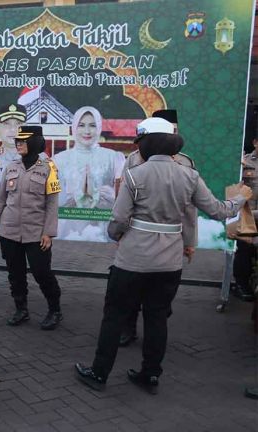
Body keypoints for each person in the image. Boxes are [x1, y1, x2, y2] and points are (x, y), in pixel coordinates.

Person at [75, 117, 252, 394]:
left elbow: (119, 220)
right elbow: (219, 210)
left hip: (132, 260)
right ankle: (150, 375)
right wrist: (241, 197)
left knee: (115, 316)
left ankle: (99, 373)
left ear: (148, 143)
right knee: (157, 318)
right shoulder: (189, 175)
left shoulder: (135, 174)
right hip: (169, 262)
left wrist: (116, 236)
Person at [119, 109, 200, 346]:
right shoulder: (133, 160)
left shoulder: (185, 163)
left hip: (169, 242)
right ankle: (129, 327)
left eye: (174, 129)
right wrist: (120, 233)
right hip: (136, 237)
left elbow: (189, 209)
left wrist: (190, 242)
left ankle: (154, 334)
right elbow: (122, 202)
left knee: (159, 296)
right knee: (130, 289)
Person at [0, 126, 63, 329]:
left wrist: (48, 232)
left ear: (36, 143)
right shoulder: (11, 167)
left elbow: (52, 203)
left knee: (42, 272)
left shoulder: (48, 168)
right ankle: (21, 309)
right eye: (17, 141)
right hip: (10, 231)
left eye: (23, 140)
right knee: (15, 274)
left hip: (36, 233)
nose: (18, 144)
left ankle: (55, 310)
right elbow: (0, 200)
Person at [53, 106, 125, 242]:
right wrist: (76, 194)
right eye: (81, 125)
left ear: (99, 127)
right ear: (74, 127)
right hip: (66, 232)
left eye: (92, 125)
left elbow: (122, 198)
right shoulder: (59, 160)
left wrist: (98, 194)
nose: (87, 131)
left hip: (103, 233)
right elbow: (52, 199)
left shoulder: (113, 158)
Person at [232, 136, 258, 302]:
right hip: (249, 214)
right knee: (244, 248)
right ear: (255, 142)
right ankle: (241, 284)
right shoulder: (244, 162)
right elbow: (233, 188)